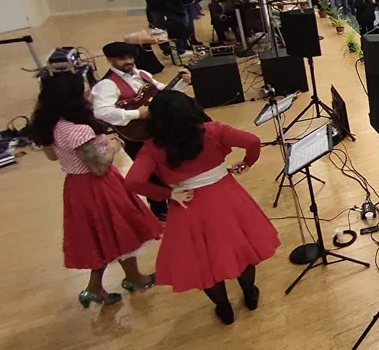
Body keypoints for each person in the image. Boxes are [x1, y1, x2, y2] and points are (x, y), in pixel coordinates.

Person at [125, 91, 279, 325]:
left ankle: (224, 308)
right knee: (241, 248)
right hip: (226, 197)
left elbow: (133, 181)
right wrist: (247, 163)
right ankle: (250, 294)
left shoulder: (153, 147)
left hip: (188, 204)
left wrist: (167, 193)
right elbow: (253, 142)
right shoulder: (213, 130)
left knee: (204, 261)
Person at [30, 72, 162, 308]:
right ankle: (132, 278)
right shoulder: (78, 130)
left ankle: (103, 285)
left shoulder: (52, 125)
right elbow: (99, 167)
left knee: (102, 235)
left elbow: (52, 156)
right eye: (84, 91)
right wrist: (113, 146)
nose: (89, 94)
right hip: (99, 186)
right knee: (120, 230)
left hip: (75, 186)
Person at [92, 42, 190, 220]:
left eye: (130, 57)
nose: (128, 61)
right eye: (122, 59)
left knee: (168, 165)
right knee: (149, 173)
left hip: (155, 129)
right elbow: (101, 111)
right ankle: (159, 210)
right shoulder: (107, 85)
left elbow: (164, 95)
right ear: (110, 60)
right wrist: (136, 113)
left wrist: (183, 82)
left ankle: (176, 201)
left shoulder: (144, 75)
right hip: (134, 135)